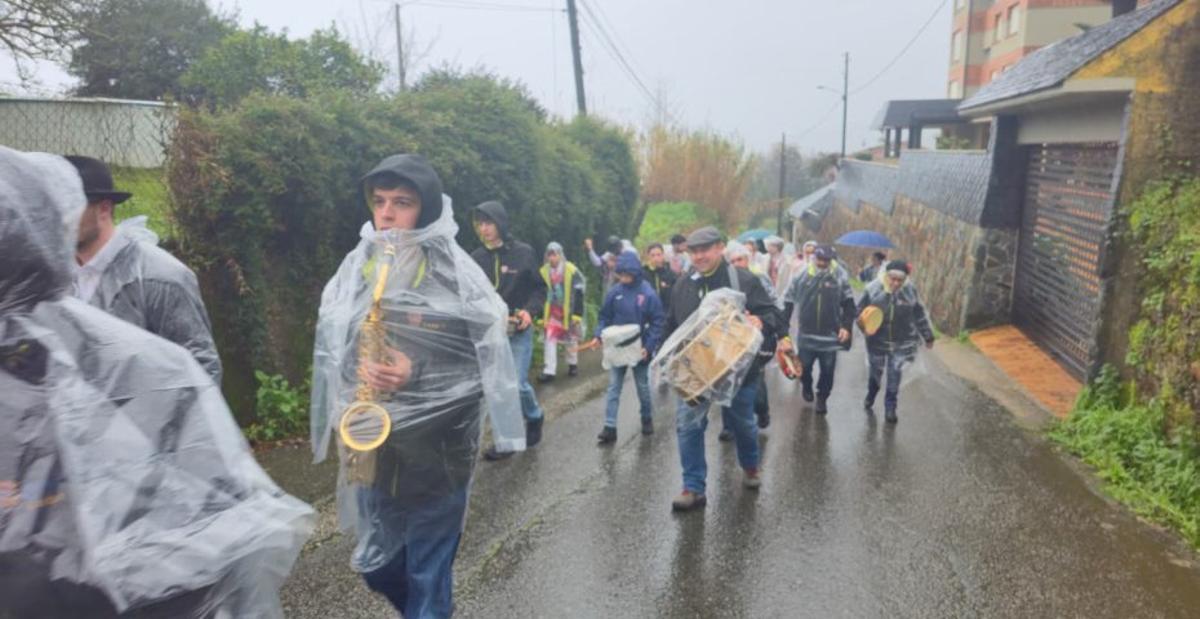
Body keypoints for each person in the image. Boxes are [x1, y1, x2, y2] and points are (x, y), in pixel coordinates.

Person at [1, 146, 313, 618]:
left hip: (138, 503)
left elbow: (194, 371)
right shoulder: (59, 310)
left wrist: (176, 458)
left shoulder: (157, 283)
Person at [310, 154, 526, 617]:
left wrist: (417, 373)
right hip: (374, 455)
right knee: (376, 565)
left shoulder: (455, 278)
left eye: (402, 203)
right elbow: (336, 354)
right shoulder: (361, 270)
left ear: (424, 211)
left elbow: (486, 371)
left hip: (438, 463)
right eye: (380, 201)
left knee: (427, 580)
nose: (386, 213)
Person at [65, 155, 222, 382]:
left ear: (104, 209)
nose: (58, 218)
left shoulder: (160, 278)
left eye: (70, 207)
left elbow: (202, 370)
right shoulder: (56, 276)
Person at [663, 227, 780, 511]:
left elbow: (774, 314)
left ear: (721, 248)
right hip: (696, 372)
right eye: (694, 251)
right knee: (688, 426)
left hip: (738, 370)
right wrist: (662, 352)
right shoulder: (682, 285)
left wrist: (760, 321)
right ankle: (693, 487)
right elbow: (672, 325)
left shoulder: (743, 280)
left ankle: (751, 466)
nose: (699, 256)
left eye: (705, 249)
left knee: (742, 423)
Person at [471, 200, 548, 460]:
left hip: (518, 330)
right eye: (480, 224)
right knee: (496, 387)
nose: (485, 229)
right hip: (491, 332)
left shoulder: (524, 253)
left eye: (489, 222)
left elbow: (539, 289)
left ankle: (535, 416)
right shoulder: (476, 258)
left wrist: (529, 311)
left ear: (501, 223)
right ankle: (506, 442)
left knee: (515, 383)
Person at [588, 252, 666, 444]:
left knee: (642, 387)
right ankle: (610, 427)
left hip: (639, 349)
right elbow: (604, 316)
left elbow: (658, 322)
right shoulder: (615, 292)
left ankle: (647, 418)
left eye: (626, 273)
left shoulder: (647, 293)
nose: (623, 277)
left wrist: (648, 346)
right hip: (617, 347)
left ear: (634, 272)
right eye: (620, 273)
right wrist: (598, 335)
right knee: (614, 387)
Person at [780, 245, 856, 415]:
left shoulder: (839, 277)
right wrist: (783, 331)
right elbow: (788, 301)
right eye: (819, 259)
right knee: (804, 368)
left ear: (831, 260)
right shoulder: (802, 275)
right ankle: (807, 385)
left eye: (826, 260)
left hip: (831, 334)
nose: (822, 263)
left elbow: (849, 304)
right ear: (814, 258)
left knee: (828, 371)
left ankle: (822, 397)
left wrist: (846, 326)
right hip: (807, 334)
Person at [857, 260, 935, 423]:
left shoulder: (910, 291)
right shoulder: (872, 290)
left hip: (901, 342)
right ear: (886, 276)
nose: (896, 283)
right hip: (876, 341)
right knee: (875, 375)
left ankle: (890, 407)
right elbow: (859, 312)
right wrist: (864, 326)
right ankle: (871, 395)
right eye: (893, 278)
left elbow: (919, 314)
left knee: (894, 377)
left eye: (900, 280)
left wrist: (927, 335)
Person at [723, 243, 780, 435]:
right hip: (731, 340)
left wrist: (762, 321)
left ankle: (762, 411)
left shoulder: (760, 278)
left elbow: (773, 306)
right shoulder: (725, 280)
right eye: (732, 261)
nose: (736, 264)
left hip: (757, 340)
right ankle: (727, 425)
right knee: (726, 379)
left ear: (748, 259)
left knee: (755, 384)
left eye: (740, 259)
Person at [538, 242, 585, 382]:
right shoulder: (544, 271)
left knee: (571, 339)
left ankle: (572, 364)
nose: (552, 258)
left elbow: (579, 292)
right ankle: (549, 371)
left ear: (560, 254)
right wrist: (541, 316)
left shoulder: (571, 270)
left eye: (554, 254)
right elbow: (540, 293)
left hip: (568, 311)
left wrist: (577, 313)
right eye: (549, 254)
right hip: (552, 312)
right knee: (550, 339)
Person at [643, 242, 677, 313]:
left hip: (667, 314)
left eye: (659, 255)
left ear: (663, 255)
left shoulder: (671, 274)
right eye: (653, 255)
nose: (656, 258)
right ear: (648, 256)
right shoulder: (642, 274)